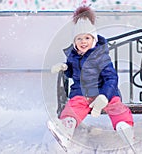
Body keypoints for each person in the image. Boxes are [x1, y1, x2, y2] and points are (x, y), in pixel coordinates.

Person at [51, 5, 134, 145]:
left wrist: (104, 96)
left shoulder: (100, 56)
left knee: (116, 106)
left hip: (103, 92)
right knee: (74, 106)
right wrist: (65, 68)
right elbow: (72, 73)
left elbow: (111, 78)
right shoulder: (73, 56)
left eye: (87, 38)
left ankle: (124, 127)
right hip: (82, 93)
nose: (83, 41)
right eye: (79, 39)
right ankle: (67, 128)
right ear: (74, 42)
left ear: (94, 39)